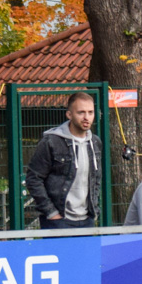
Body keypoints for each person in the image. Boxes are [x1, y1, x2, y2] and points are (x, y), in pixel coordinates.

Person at [26, 90, 103, 229]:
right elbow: (33, 178)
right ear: (69, 114)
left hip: (87, 220)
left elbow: (96, 178)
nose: (86, 117)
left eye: (90, 112)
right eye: (81, 112)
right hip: (58, 221)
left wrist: (94, 210)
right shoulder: (51, 142)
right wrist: (51, 212)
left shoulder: (95, 143)